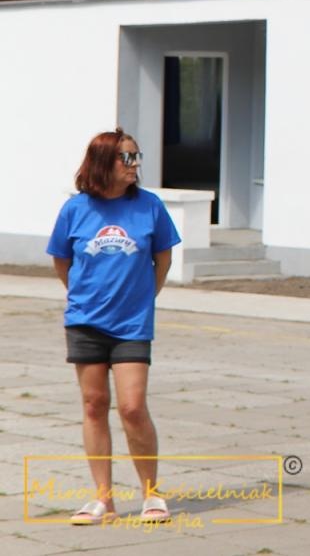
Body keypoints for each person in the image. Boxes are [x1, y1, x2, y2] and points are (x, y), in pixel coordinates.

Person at [46, 130, 180, 525]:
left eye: (137, 157)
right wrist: (84, 297)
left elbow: (163, 260)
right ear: (103, 163)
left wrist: (141, 299)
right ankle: (103, 499)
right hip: (86, 323)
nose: (135, 165)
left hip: (132, 325)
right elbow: (61, 261)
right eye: (127, 158)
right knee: (93, 405)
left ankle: (151, 495)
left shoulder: (150, 207)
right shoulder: (75, 210)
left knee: (133, 407)